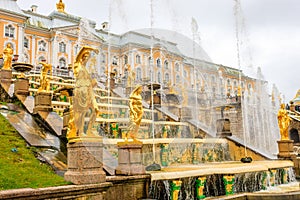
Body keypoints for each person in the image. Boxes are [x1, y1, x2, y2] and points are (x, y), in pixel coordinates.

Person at [72, 46, 99, 137]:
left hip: (88, 91)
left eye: (88, 56)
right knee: (81, 113)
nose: (86, 58)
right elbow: (83, 48)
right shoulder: (77, 64)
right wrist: (92, 49)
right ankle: (79, 131)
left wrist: (94, 82)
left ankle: (89, 130)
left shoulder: (86, 69)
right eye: (85, 56)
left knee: (96, 109)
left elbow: (89, 82)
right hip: (80, 90)